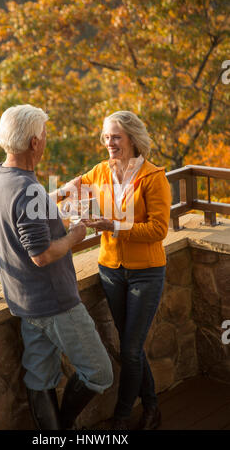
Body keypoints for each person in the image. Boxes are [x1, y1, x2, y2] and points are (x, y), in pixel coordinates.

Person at [0, 104, 113, 430]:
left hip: (25, 302)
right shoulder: (28, 189)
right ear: (34, 143)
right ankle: (65, 427)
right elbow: (41, 254)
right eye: (44, 134)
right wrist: (75, 236)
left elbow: (24, 212)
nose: (45, 140)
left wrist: (58, 194)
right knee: (99, 372)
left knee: (40, 377)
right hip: (56, 302)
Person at [66, 110, 171, 430]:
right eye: (106, 137)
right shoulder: (100, 172)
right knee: (132, 348)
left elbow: (158, 230)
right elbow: (72, 188)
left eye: (116, 137)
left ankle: (124, 416)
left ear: (132, 139)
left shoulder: (153, 178)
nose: (109, 143)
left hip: (146, 272)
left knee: (129, 348)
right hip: (110, 269)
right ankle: (152, 407)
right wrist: (51, 198)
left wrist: (114, 225)